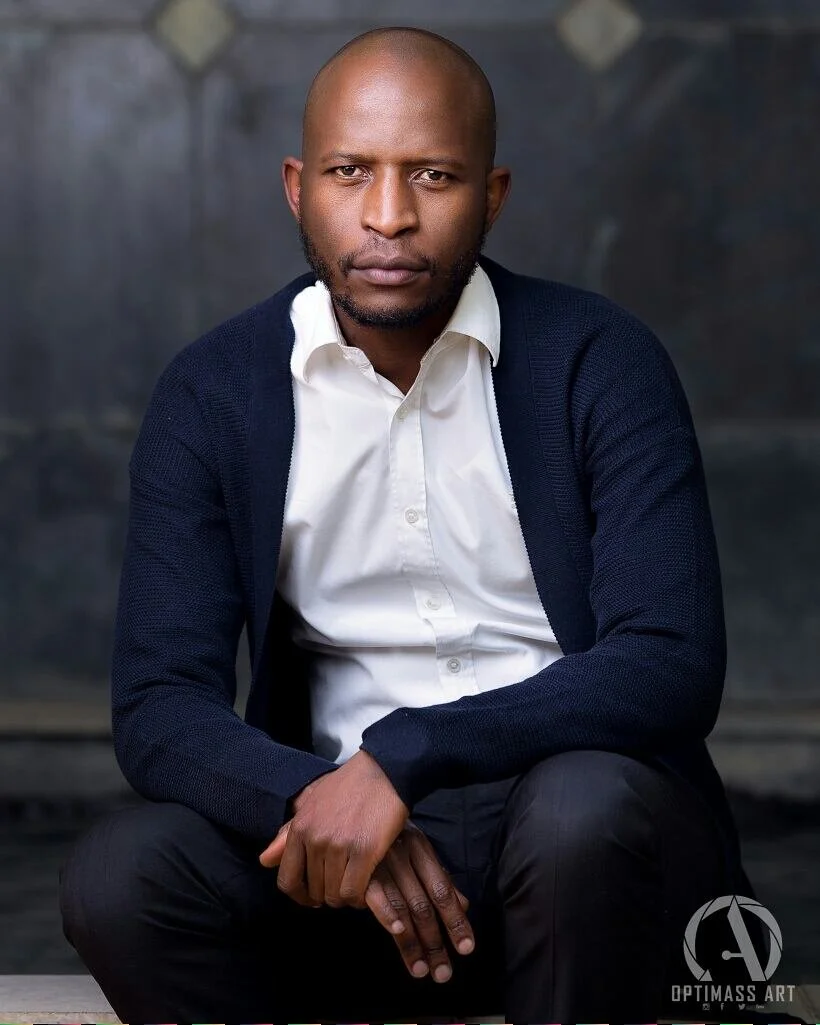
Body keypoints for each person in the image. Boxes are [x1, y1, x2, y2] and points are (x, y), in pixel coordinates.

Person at [59, 24, 764, 1025]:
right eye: (351, 172)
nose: (388, 216)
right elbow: (160, 705)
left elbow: (668, 659)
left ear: (493, 193)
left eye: (432, 175)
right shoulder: (213, 392)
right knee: (120, 875)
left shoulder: (599, 360)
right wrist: (319, 799)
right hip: (335, 851)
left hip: (579, 848)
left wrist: (402, 756)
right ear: (298, 187)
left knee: (581, 812)